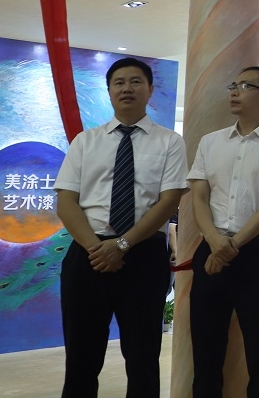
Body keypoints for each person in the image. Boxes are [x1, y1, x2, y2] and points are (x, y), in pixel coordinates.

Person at [54, 57, 188, 398]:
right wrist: (97, 248)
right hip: (89, 255)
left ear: (150, 90)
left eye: (135, 81)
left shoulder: (170, 142)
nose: (127, 88)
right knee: (81, 360)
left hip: (143, 256)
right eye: (119, 82)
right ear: (110, 91)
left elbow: (169, 201)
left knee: (142, 358)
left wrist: (123, 245)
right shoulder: (85, 142)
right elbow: (66, 202)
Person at [188, 66, 259, 398]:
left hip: (256, 252)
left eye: (244, 86)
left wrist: (231, 245)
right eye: (233, 85)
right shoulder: (211, 142)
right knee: (206, 349)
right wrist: (215, 241)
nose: (234, 91)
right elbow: (199, 197)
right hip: (210, 247)